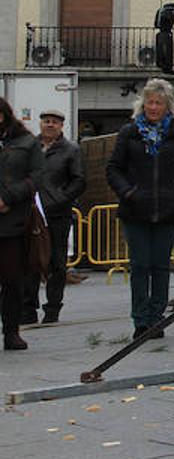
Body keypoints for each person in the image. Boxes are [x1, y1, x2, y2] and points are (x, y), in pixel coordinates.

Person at [106, 78, 174, 339]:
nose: (154, 107)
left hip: (168, 210)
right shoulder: (129, 132)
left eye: (159, 103)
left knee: (159, 266)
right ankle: (140, 320)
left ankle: (157, 319)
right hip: (135, 210)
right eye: (150, 102)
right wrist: (128, 192)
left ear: (168, 106)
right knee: (139, 265)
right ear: (143, 104)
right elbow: (113, 168)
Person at [21, 108, 84, 325]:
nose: (50, 125)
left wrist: (61, 199)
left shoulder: (71, 150)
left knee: (57, 263)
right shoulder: (30, 147)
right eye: (46, 121)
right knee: (30, 260)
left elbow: (79, 180)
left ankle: (53, 308)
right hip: (32, 213)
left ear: (61, 126)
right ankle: (28, 308)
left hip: (58, 214)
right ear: (40, 124)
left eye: (54, 122)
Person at [0, 97, 42, 351]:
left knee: (12, 281)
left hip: (13, 224)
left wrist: (8, 198)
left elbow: (37, 177)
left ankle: (11, 331)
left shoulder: (27, 142)